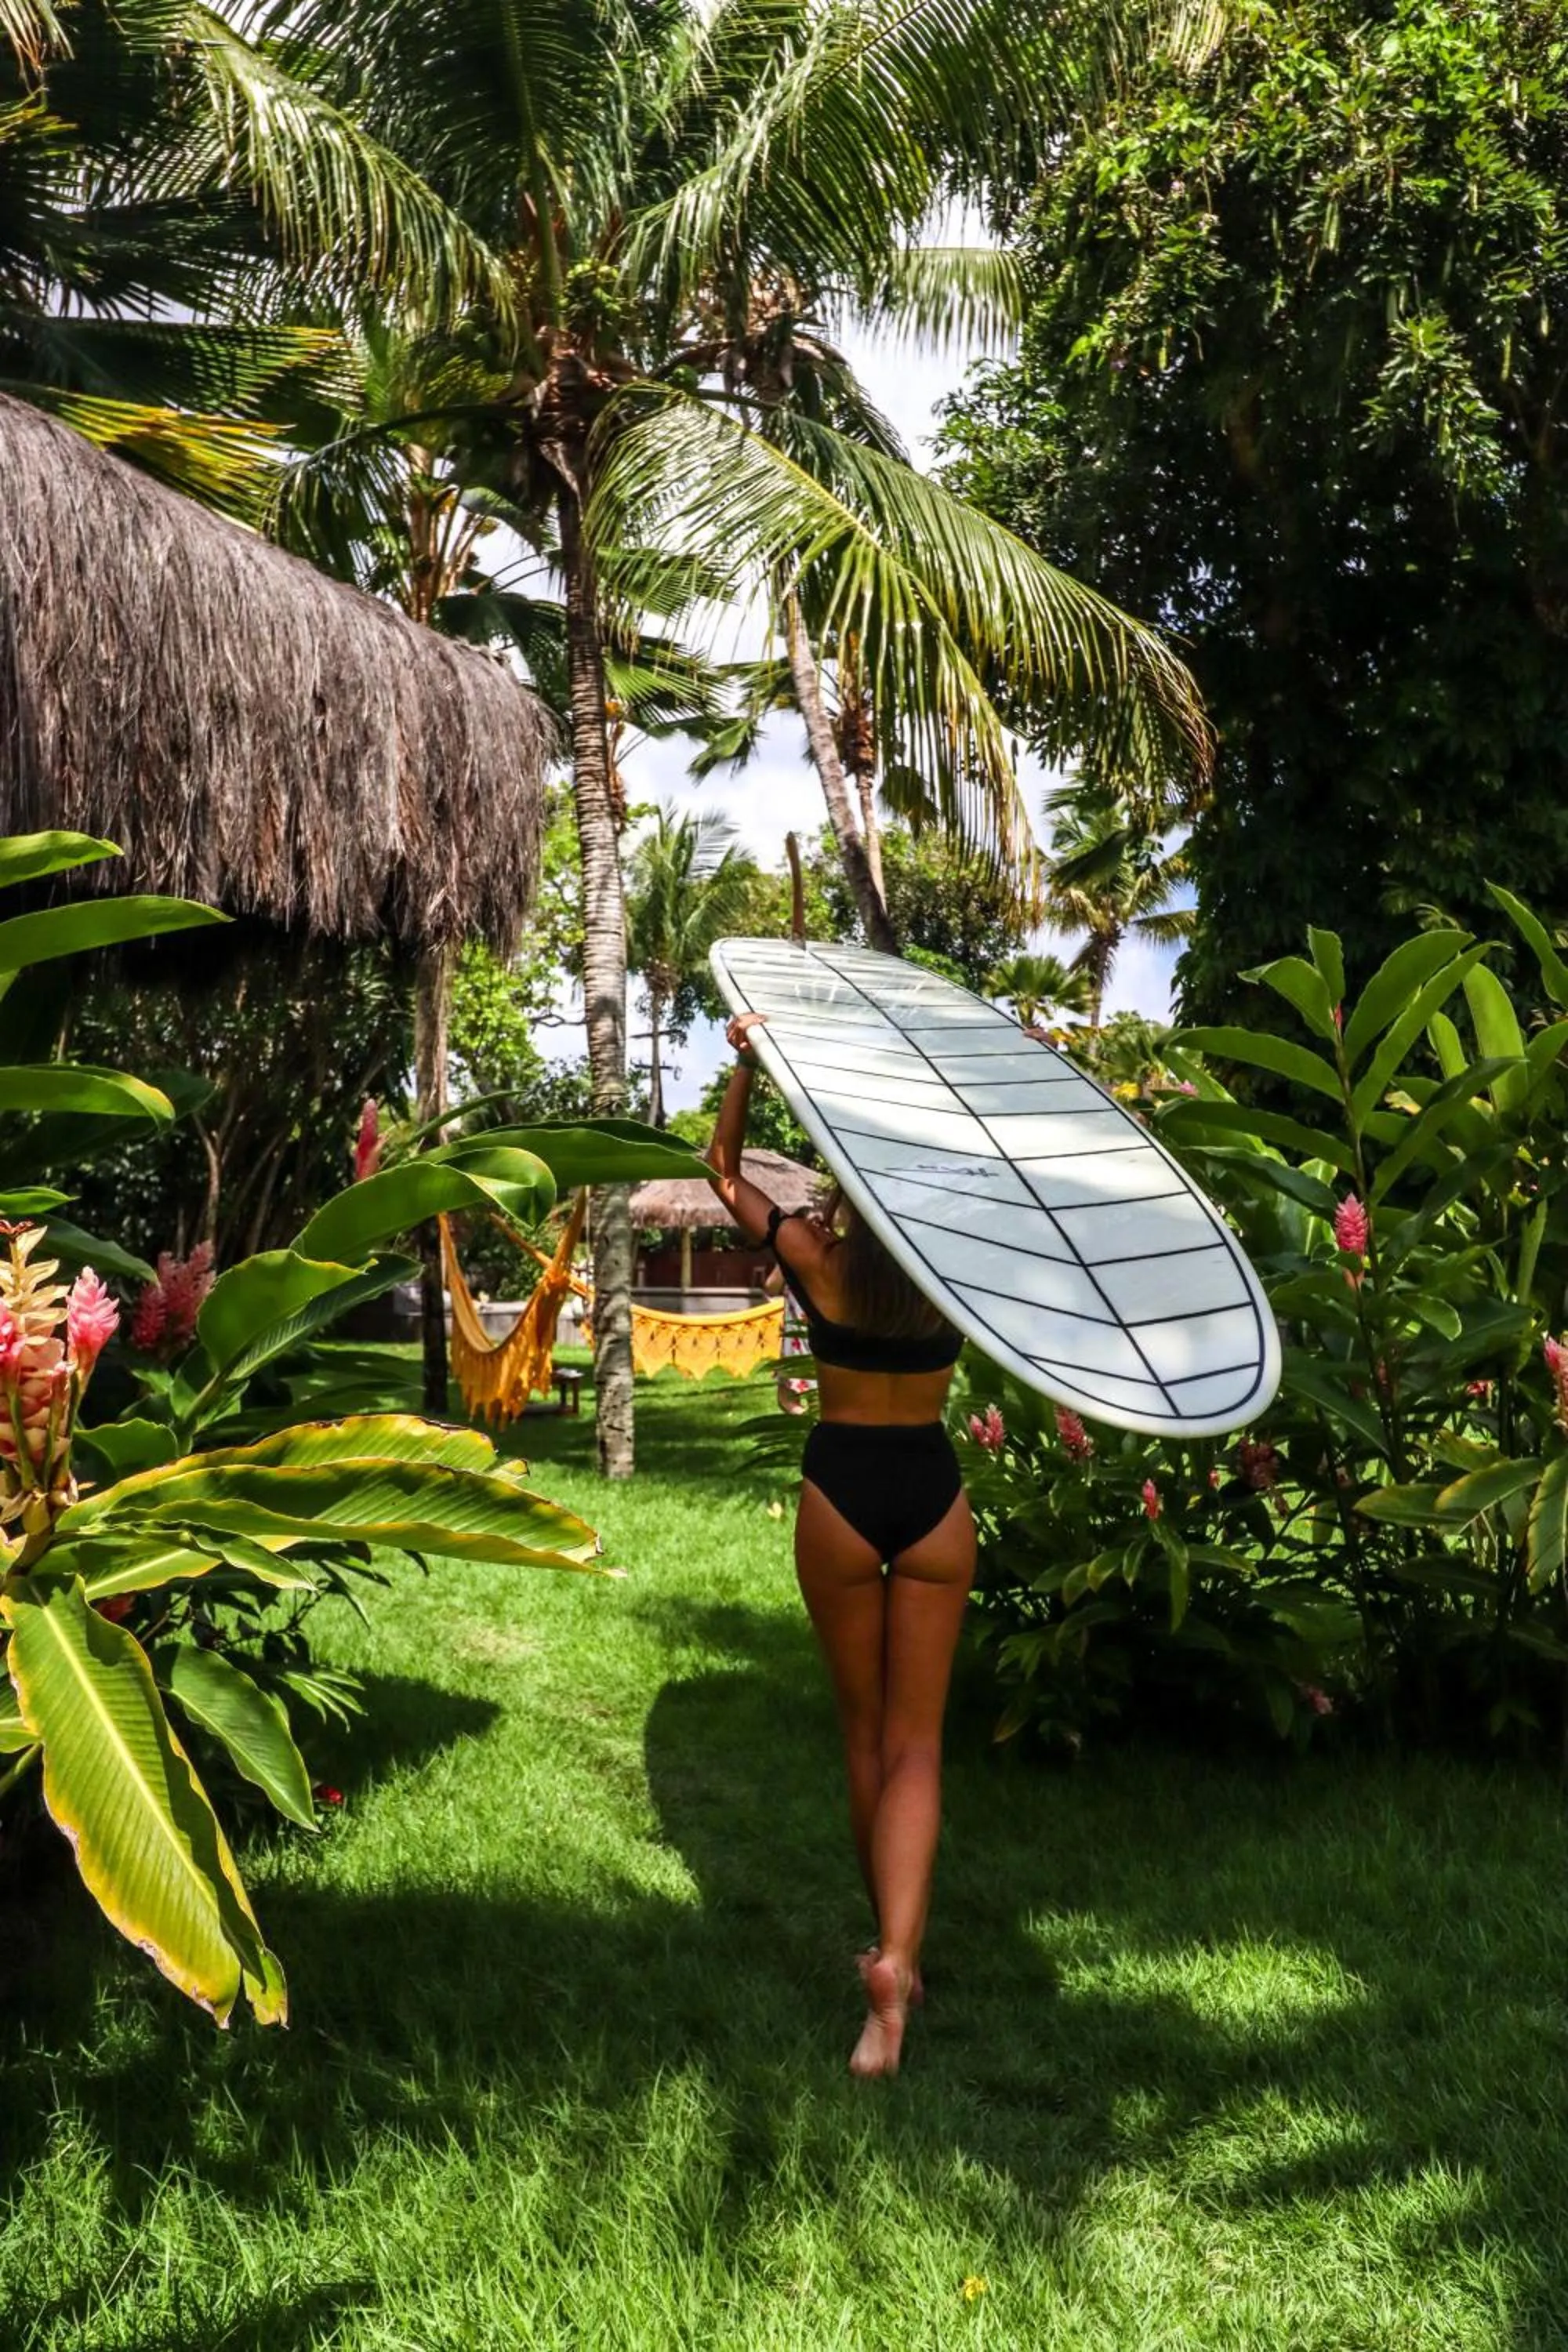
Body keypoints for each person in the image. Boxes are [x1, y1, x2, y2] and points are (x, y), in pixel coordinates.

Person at [704, 1010, 975, 2078]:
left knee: (865, 1734)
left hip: (843, 1489)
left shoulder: (821, 1257)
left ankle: (888, 1959)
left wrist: (747, 1067)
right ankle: (900, 1961)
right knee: (918, 1742)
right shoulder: (956, 1268)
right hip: (933, 1488)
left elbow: (721, 1171)